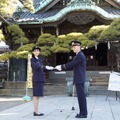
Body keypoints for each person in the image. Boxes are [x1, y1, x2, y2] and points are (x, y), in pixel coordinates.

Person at [55, 40, 88, 118]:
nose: (73, 48)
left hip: (79, 78)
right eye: (72, 47)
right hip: (79, 78)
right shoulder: (78, 55)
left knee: (81, 97)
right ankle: (83, 112)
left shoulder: (80, 55)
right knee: (80, 96)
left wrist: (62, 66)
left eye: (74, 46)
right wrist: (62, 68)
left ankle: (83, 113)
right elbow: (72, 66)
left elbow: (72, 64)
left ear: (79, 46)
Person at [31, 46, 53, 116]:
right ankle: (36, 111)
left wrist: (50, 68)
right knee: (36, 95)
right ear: (33, 52)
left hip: (40, 79)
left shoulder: (39, 60)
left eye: (38, 51)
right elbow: (37, 67)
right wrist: (44, 67)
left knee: (38, 96)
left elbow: (43, 68)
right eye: (35, 51)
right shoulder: (32, 59)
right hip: (36, 79)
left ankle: (36, 110)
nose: (37, 52)